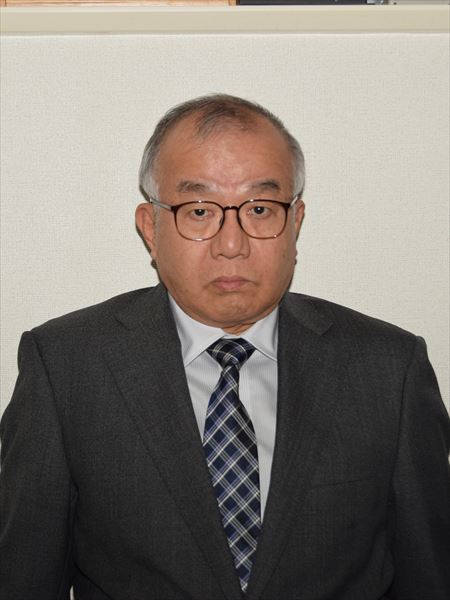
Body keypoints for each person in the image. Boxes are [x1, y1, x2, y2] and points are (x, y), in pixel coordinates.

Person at [0, 94, 449, 600]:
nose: (231, 244)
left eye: (260, 209)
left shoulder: (389, 370)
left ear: (295, 222)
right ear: (150, 228)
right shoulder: (66, 367)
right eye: (198, 211)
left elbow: (430, 577)